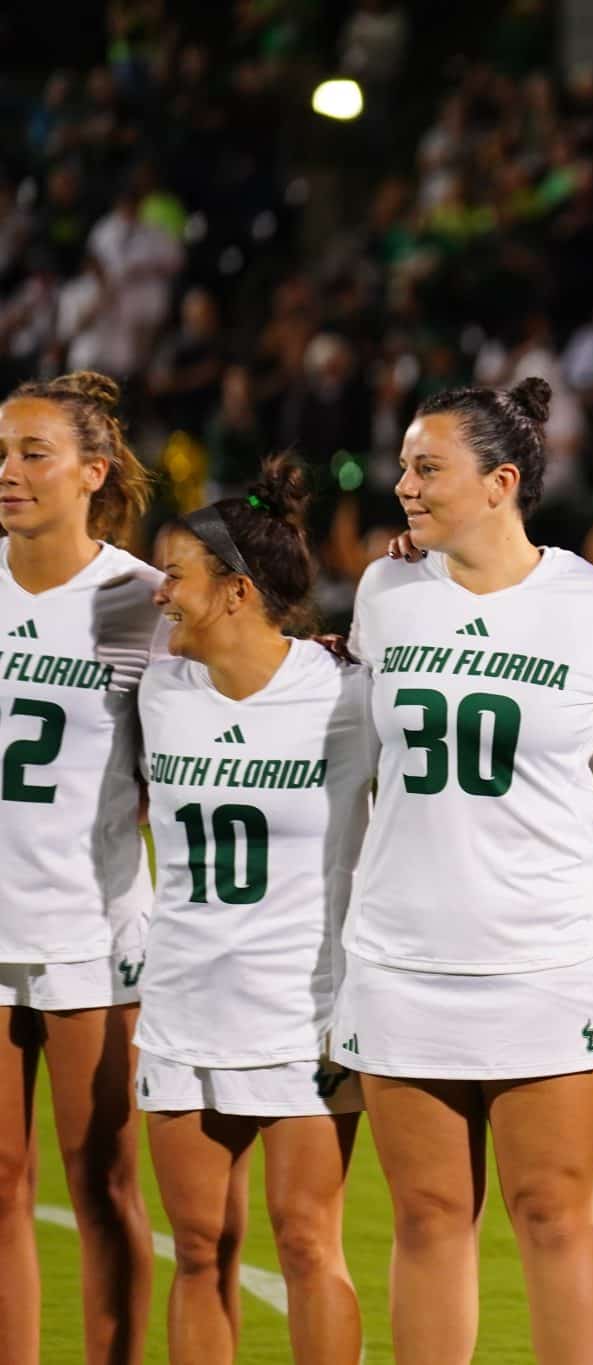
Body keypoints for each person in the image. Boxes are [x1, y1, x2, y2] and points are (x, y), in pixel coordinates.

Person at [338, 377, 593, 1364]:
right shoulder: (386, 592)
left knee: (553, 1213)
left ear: (501, 481)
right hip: (402, 950)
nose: (403, 486)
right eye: (404, 466)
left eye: (428, 468)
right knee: (425, 1219)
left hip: (542, 951)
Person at [137, 455, 372, 1364]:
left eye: (178, 576)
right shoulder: (160, 689)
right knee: (198, 1251)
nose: (161, 592)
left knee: (309, 1242)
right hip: (183, 1005)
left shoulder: (348, 693)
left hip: (304, 1012)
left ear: (236, 591)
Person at [0, 371, 158, 1365]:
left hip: (90, 932)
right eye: (2, 454)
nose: (8, 473)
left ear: (92, 473)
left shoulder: (141, 603)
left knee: (101, 1183)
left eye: (31, 454)